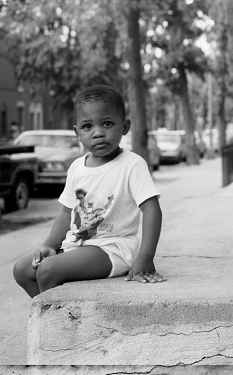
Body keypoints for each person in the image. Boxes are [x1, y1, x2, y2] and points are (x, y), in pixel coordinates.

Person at [13, 85, 165, 297]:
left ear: (125, 126)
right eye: (87, 126)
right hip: (77, 245)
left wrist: (145, 257)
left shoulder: (132, 164)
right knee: (22, 270)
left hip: (113, 248)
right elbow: (67, 213)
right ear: (77, 133)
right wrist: (50, 244)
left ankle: (61, 325)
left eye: (107, 123)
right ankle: (55, 316)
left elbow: (152, 210)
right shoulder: (77, 167)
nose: (98, 133)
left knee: (48, 270)